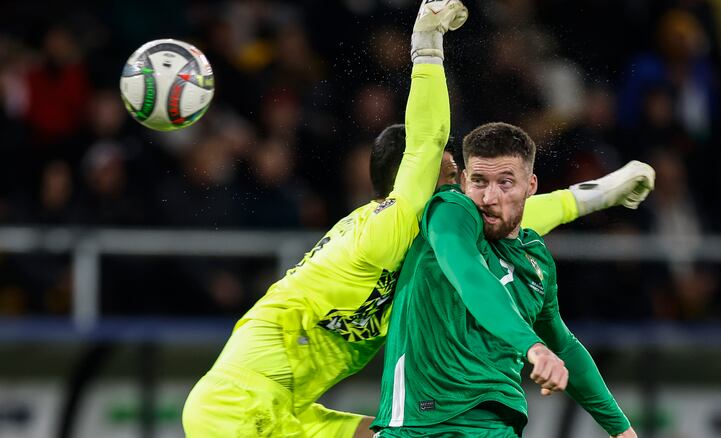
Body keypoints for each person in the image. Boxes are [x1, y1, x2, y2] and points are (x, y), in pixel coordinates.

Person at [183, 1, 653, 436]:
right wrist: (427, 45)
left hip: (288, 408)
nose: (466, 196)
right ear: (411, 182)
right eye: (451, 180)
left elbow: (516, 211)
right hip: (234, 405)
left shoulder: (424, 235)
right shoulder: (385, 231)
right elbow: (429, 139)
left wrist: (601, 193)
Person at [372, 122, 638, 438]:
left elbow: (564, 345)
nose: (489, 197)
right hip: (422, 424)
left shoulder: (536, 260)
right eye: (479, 182)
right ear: (463, 181)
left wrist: (621, 428)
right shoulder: (450, 212)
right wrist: (533, 348)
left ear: (531, 185)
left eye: (506, 183)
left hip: (498, 426)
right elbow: (471, 278)